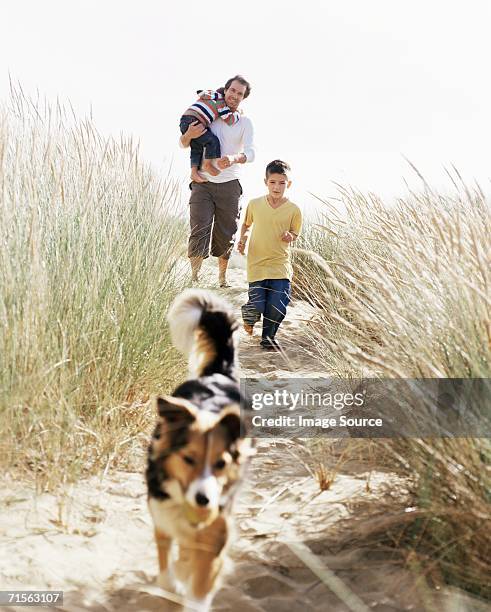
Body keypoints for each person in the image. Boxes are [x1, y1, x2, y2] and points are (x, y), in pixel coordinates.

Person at [180, 75, 255, 287]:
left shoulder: (244, 122)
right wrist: (189, 134)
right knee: (199, 229)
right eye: (232, 91)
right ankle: (194, 278)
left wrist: (233, 158)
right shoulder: (210, 114)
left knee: (226, 232)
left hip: (230, 184)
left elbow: (251, 152)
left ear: (243, 98)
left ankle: (222, 278)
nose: (235, 96)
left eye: (240, 94)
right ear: (226, 90)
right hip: (202, 183)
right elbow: (184, 143)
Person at [238, 160, 302, 350]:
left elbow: (295, 234)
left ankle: (268, 339)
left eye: (282, 183)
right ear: (265, 181)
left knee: (277, 306)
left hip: (279, 264)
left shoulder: (294, 210)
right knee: (258, 304)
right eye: (273, 182)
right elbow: (246, 225)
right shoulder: (255, 204)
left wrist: (290, 236)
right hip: (257, 263)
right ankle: (249, 316)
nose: (277, 187)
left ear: (288, 184)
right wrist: (242, 240)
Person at [179, 88, 241, 184]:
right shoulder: (221, 102)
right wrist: (238, 113)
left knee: (197, 146)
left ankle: (194, 172)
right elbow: (229, 119)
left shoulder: (210, 95)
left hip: (185, 119)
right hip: (195, 120)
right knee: (212, 141)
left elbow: (200, 92)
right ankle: (207, 165)